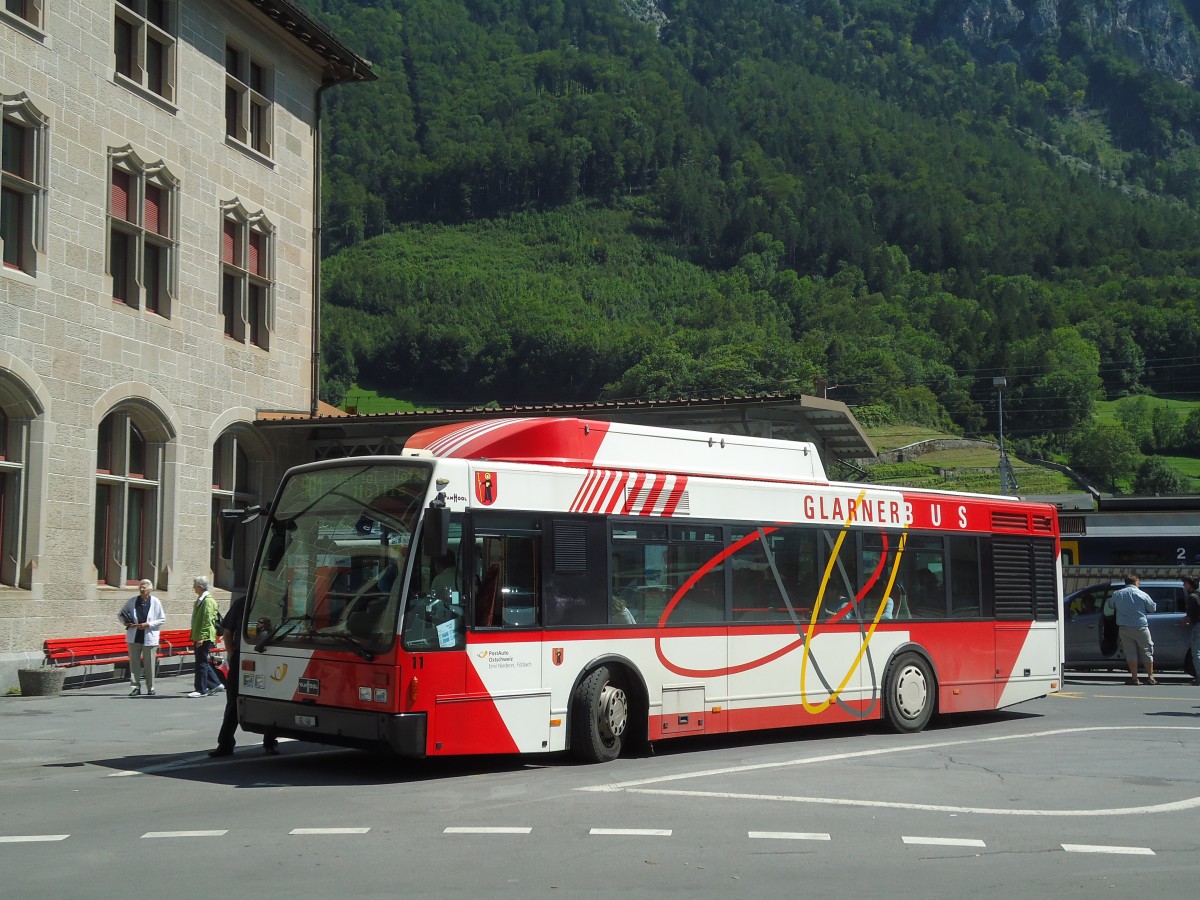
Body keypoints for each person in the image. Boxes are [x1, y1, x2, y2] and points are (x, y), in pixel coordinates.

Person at [208, 594, 278, 757]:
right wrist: (232, 655)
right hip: (242, 658)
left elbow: (278, 632)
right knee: (233, 702)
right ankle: (225, 744)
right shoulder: (242, 603)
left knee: (270, 699)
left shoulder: (272, 605)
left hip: (267, 658)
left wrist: (269, 628)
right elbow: (227, 631)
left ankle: (270, 741)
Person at [118, 579, 165, 696]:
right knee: (134, 663)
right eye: (141, 587)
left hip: (149, 637)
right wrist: (127, 623)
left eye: (144, 587)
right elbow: (121, 614)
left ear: (150, 589)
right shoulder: (133, 601)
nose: (142, 589)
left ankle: (151, 687)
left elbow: (162, 619)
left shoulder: (155, 602)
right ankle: (135, 687)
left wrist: (148, 625)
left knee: (149, 664)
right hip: (134, 636)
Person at [1110, 573, 1157, 685]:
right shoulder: (1142, 594)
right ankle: (1150, 677)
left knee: (1130, 652)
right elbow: (1152, 608)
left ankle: (1134, 678)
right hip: (1141, 627)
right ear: (1136, 581)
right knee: (1146, 651)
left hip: (1124, 628)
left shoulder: (1117, 594)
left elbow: (1111, 605)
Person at [188, 576, 223, 698]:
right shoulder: (201, 599)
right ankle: (215, 684)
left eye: (195, 585)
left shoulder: (207, 601)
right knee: (202, 661)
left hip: (204, 636)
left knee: (201, 663)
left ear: (200, 586)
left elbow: (207, 621)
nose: (193, 587)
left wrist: (201, 637)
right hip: (200, 635)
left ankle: (201, 689)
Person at [1182, 575, 1200, 686]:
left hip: (1198, 626)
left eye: (1185, 583)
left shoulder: (1192, 597)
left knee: (1196, 652)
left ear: (1190, 584)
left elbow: (1188, 617)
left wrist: (1182, 623)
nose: (1184, 585)